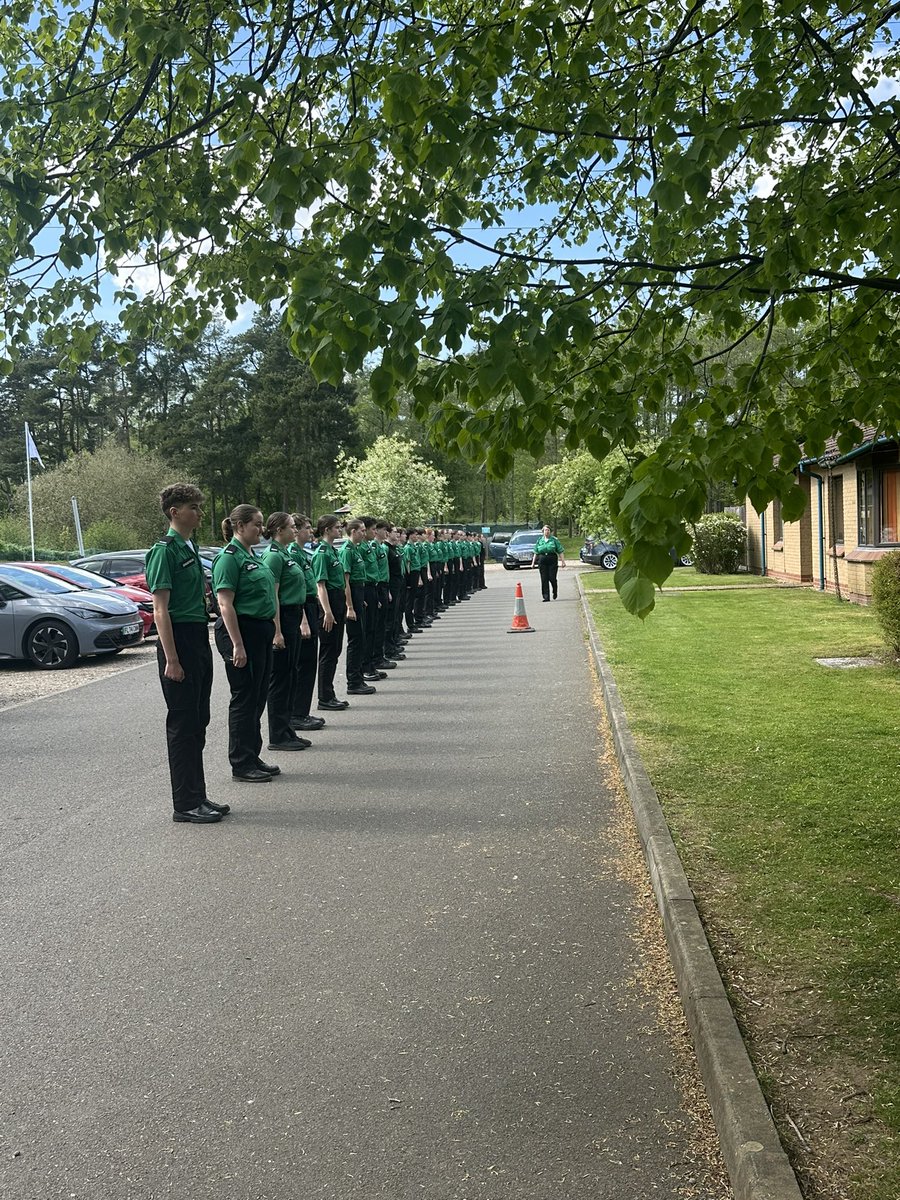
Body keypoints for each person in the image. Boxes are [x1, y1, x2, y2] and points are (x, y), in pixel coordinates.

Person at [145, 483, 225, 824]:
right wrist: (172, 658)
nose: (199, 512)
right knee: (182, 722)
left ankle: (198, 794)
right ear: (174, 511)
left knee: (199, 719)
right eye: (193, 506)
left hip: (196, 635)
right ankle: (185, 803)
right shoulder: (164, 551)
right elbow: (160, 610)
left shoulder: (189, 546)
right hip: (177, 639)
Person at [212, 505, 280, 783]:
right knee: (244, 698)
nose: (261, 530)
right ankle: (241, 762)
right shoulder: (228, 558)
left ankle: (253, 755)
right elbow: (225, 605)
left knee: (258, 696)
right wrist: (237, 645)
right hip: (242, 632)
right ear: (240, 526)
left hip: (260, 630)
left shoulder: (253, 555)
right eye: (257, 525)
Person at [261, 512, 311, 751]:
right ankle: (278, 735)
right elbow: (274, 597)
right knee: (280, 679)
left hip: (294, 614)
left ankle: (288, 728)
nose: (295, 530)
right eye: (291, 527)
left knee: (290, 676)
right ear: (279, 530)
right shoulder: (273, 556)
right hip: (284, 619)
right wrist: (277, 631)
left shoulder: (284, 554)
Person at [287, 514, 325, 732]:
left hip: (310, 606)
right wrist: (303, 621)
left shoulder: (302, 553)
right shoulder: (292, 553)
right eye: (307, 528)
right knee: (303, 665)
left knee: (309, 664)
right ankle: (296, 714)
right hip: (302, 609)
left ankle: (302, 711)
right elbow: (295, 590)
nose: (311, 531)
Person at [313, 514, 350, 711]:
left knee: (335, 649)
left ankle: (330, 693)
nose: (340, 530)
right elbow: (321, 586)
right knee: (328, 651)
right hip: (329, 604)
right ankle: (324, 697)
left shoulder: (332, 551)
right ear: (326, 529)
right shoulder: (321, 553)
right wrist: (327, 612)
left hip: (337, 600)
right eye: (336, 527)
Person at [340, 519, 376, 696]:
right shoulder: (347, 550)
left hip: (358, 593)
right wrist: (350, 606)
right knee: (355, 640)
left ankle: (358, 677)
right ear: (353, 531)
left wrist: (359, 600)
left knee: (361, 638)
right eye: (361, 530)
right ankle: (353, 681)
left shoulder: (355, 549)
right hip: (352, 594)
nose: (364, 533)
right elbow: (345, 581)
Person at [531, 524, 567, 600]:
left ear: (550, 532)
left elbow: (560, 551)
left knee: (552, 578)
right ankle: (546, 596)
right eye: (545, 530)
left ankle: (555, 591)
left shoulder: (554, 540)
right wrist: (533, 563)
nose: (546, 532)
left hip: (552, 559)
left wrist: (563, 561)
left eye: (548, 530)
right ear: (543, 532)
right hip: (542, 560)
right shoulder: (539, 540)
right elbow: (536, 552)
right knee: (544, 579)